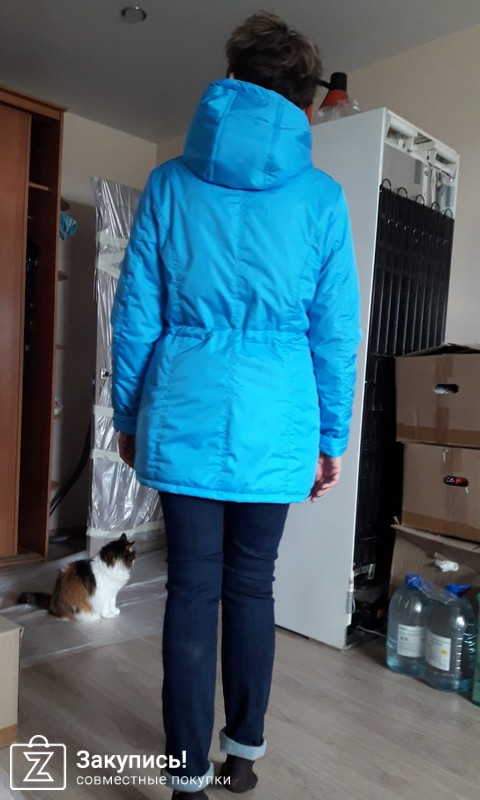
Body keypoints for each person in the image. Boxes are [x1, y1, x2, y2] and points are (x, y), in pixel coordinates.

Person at [111, 11, 361, 799]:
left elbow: (136, 314)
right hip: (277, 419)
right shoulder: (321, 199)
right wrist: (330, 435)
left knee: (192, 589)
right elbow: (335, 332)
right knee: (252, 585)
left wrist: (129, 416)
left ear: (229, 80)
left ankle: (185, 775)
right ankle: (243, 755)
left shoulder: (169, 183)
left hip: (183, 405)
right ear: (304, 97)